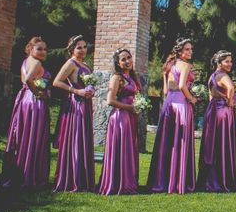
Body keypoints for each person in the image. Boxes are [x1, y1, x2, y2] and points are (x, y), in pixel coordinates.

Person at [0, 37, 51, 189]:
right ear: (31, 49)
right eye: (39, 49)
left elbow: (27, 80)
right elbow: (29, 80)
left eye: (45, 49)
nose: (43, 52)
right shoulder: (36, 63)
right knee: (34, 135)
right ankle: (30, 176)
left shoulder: (25, 61)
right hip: (34, 102)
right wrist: (39, 93)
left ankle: (19, 172)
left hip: (23, 100)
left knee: (23, 135)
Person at [147, 37, 197, 194]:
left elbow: (166, 90)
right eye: (187, 49)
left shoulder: (170, 65)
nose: (190, 52)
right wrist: (192, 98)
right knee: (179, 140)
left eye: (191, 49)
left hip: (169, 103)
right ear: (180, 51)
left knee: (166, 142)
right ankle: (177, 180)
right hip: (181, 104)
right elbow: (182, 85)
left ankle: (162, 179)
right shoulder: (186, 65)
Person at [52, 35, 95, 192]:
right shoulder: (71, 63)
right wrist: (76, 90)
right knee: (76, 137)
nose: (83, 50)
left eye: (84, 47)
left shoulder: (85, 64)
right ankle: (71, 178)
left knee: (84, 137)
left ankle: (83, 179)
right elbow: (56, 81)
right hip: (75, 104)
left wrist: (91, 91)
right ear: (71, 49)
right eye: (79, 47)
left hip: (86, 104)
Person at [98, 48, 140, 195]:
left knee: (129, 148)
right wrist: (129, 107)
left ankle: (128, 181)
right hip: (120, 117)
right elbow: (110, 100)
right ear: (117, 62)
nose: (127, 61)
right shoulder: (117, 77)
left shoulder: (132, 77)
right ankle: (116, 183)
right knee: (120, 148)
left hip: (131, 117)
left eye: (129, 58)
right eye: (123, 59)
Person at [197, 51, 236, 192]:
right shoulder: (223, 76)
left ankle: (208, 179)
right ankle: (222, 179)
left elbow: (211, 94)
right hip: (223, 110)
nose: (230, 64)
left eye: (231, 61)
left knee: (212, 143)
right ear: (219, 63)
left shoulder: (212, 76)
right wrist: (230, 101)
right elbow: (231, 88)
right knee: (222, 143)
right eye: (227, 61)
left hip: (212, 109)